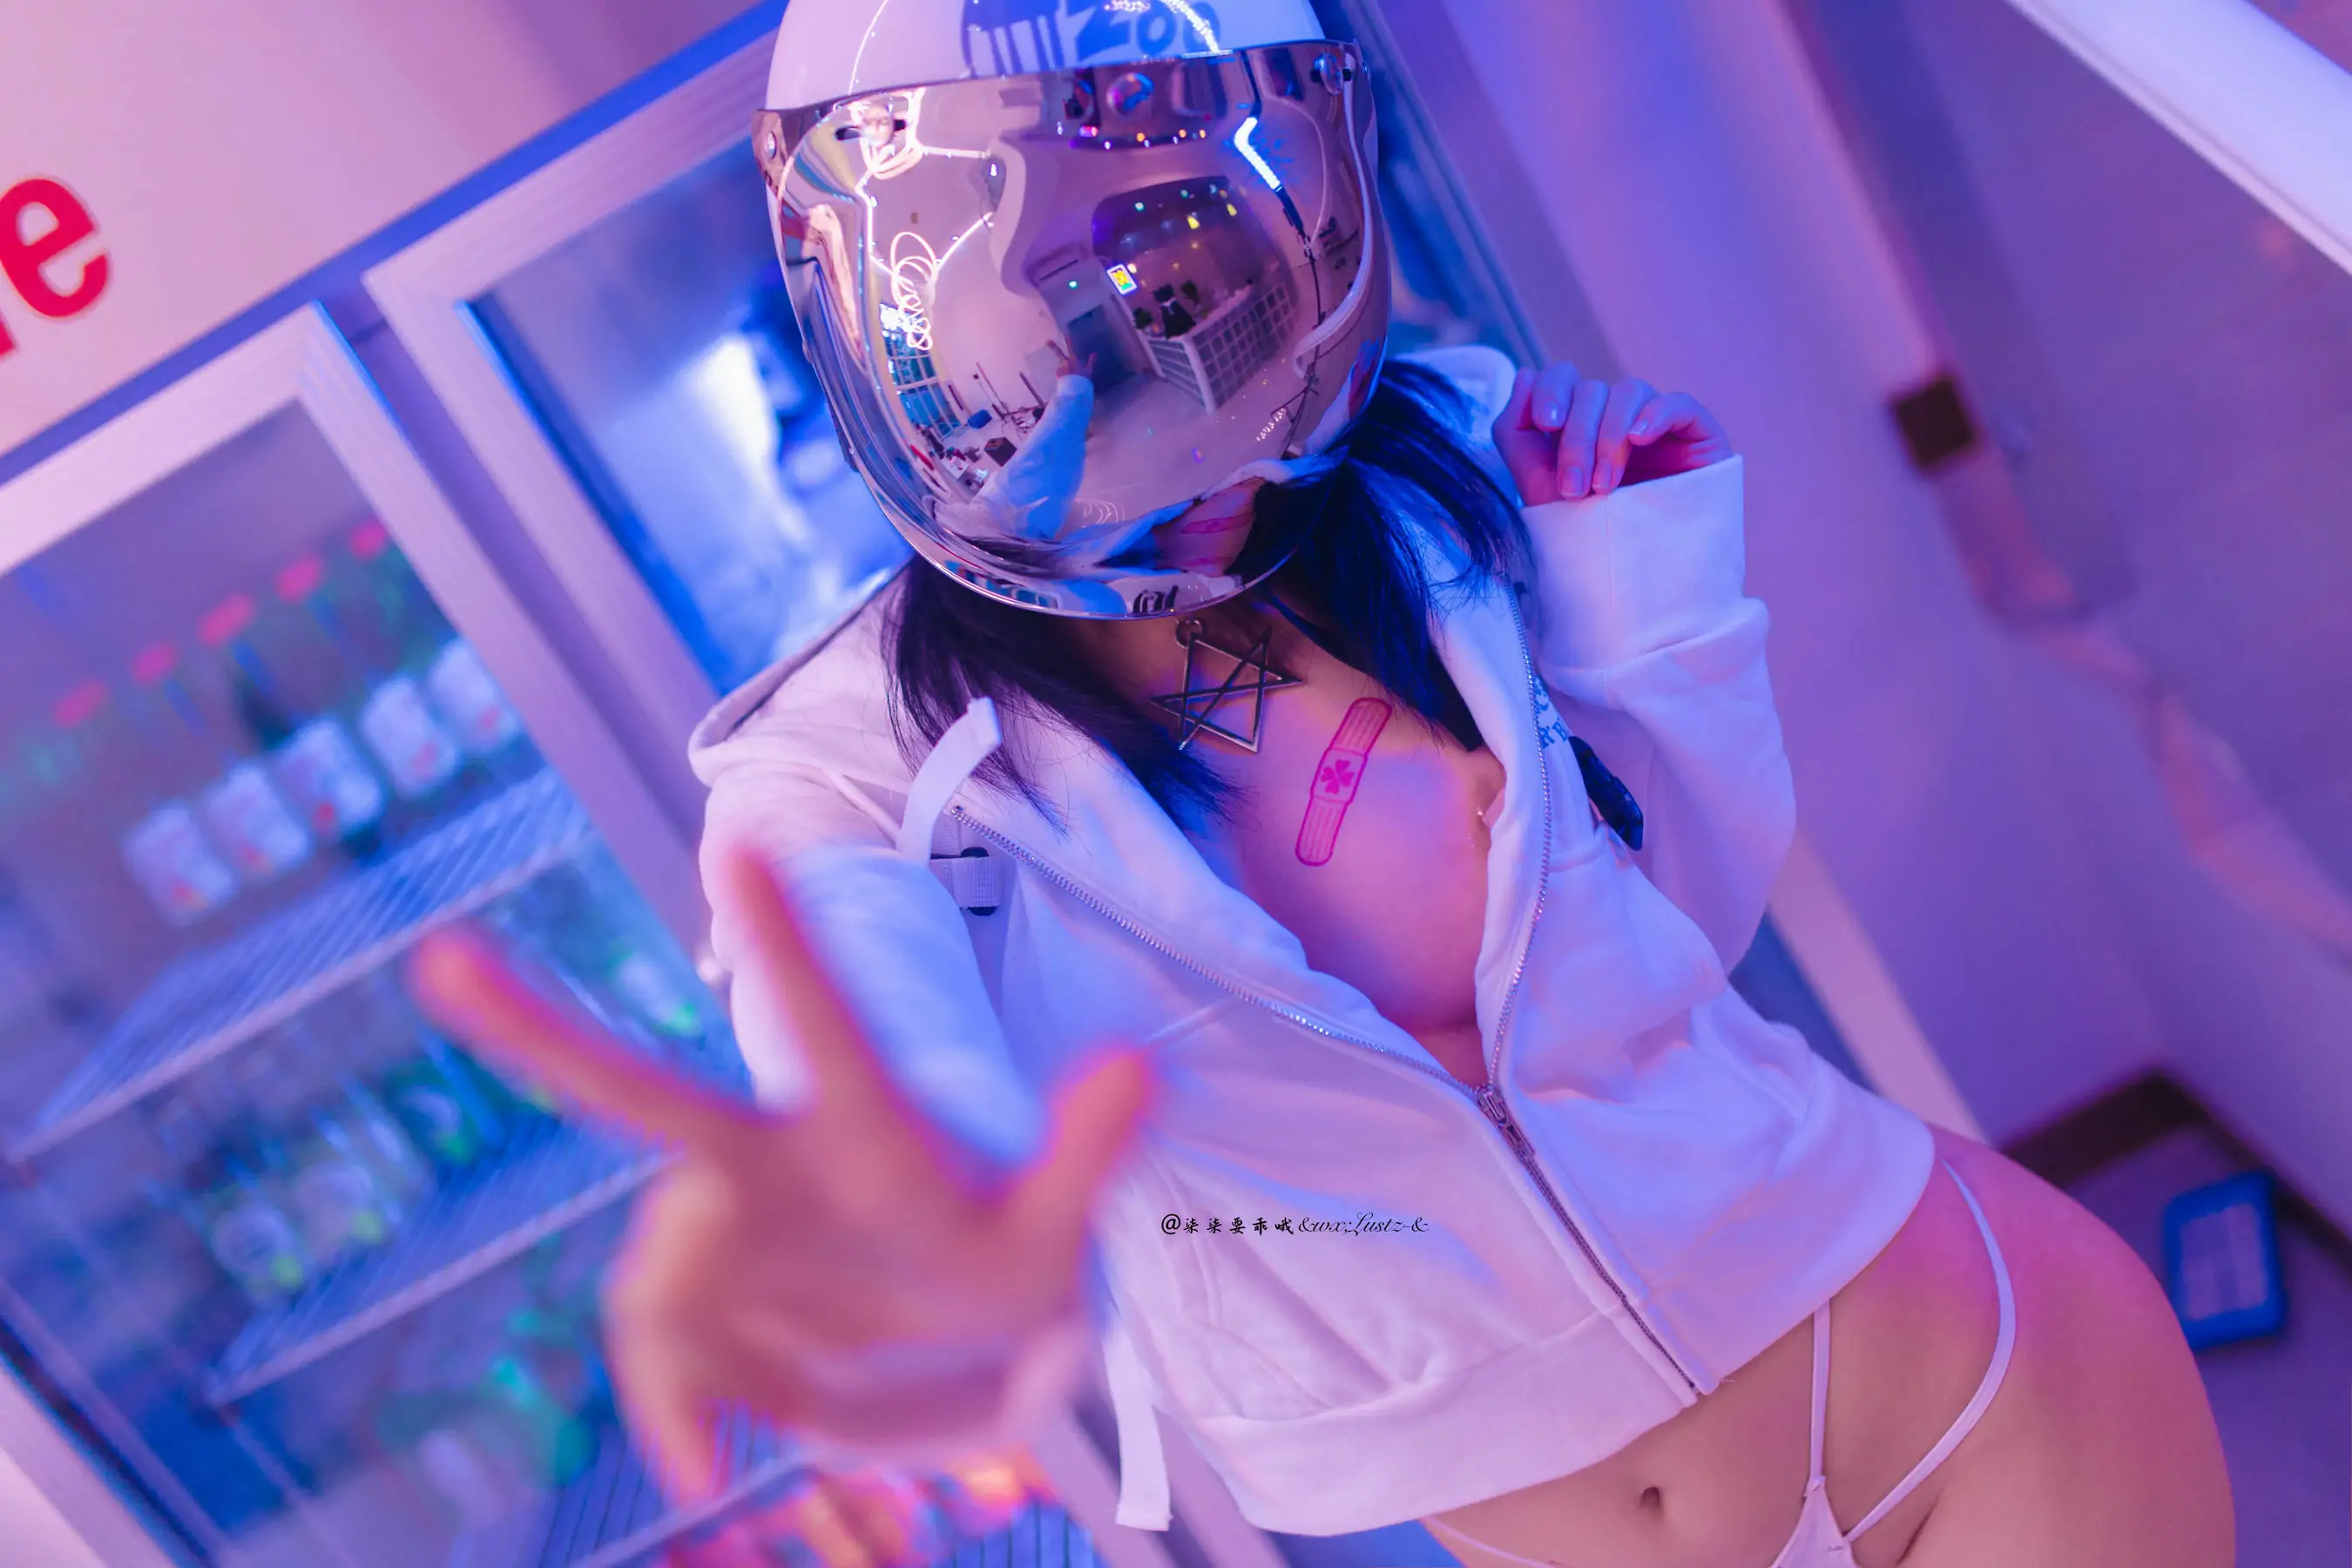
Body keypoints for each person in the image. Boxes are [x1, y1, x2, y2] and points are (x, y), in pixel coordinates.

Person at [409, 3, 2234, 1565]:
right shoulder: (847, 764)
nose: (1173, 362)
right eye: (1076, 313)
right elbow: (856, 1014)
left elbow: (1688, 919)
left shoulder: (1445, 460)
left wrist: (1629, 586)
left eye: (1205, 266)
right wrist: (902, 1185)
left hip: (1978, 1370)